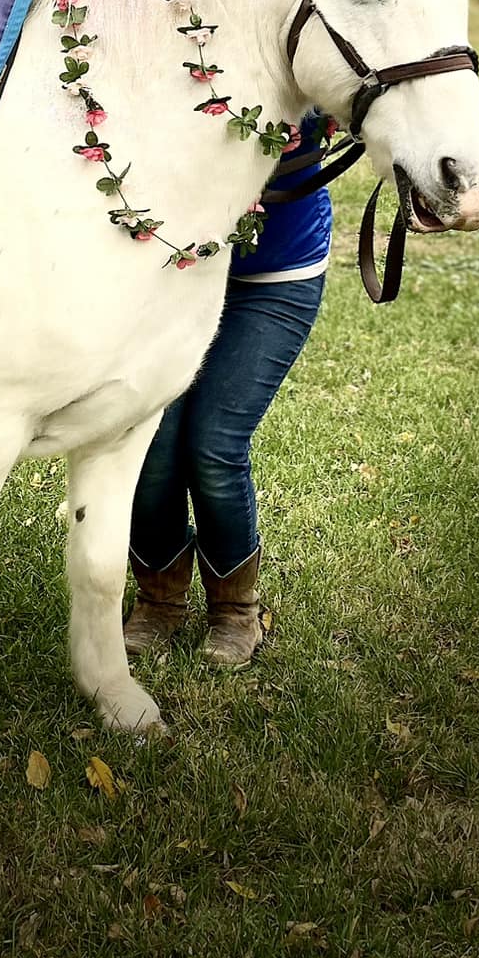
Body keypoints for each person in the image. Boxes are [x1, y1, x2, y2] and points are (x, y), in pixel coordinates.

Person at [122, 113, 334, 669]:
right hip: (176, 266)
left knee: (214, 445)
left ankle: (237, 611)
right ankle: (158, 600)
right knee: (154, 441)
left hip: (274, 274)